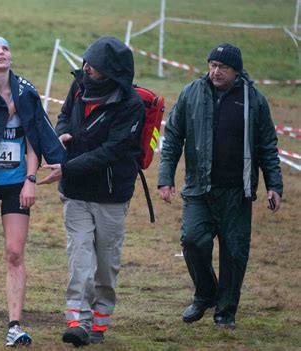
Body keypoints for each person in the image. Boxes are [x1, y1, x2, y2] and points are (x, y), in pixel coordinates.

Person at [158, 43, 283, 329]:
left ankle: (225, 311)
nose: (215, 71)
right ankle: (204, 294)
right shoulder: (191, 94)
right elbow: (173, 136)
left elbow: (267, 145)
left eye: (222, 67)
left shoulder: (254, 100)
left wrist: (273, 185)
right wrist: (166, 177)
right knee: (192, 241)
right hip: (199, 189)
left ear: (236, 71)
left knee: (234, 253)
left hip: (237, 192)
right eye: (212, 65)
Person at [0, 36, 66, 346]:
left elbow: (35, 137)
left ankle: (15, 324)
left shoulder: (26, 92)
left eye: (5, 48)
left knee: (15, 253)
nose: (1, 52)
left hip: (17, 183)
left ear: (10, 58)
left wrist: (30, 179)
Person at [38, 36, 144, 346]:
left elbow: (112, 151)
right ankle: (78, 321)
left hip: (111, 195)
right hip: (76, 193)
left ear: (111, 73)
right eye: (86, 62)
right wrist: (61, 135)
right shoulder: (78, 86)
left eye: (93, 67)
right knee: (80, 257)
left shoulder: (131, 105)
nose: (85, 68)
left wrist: (66, 168)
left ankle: (100, 322)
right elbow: (61, 117)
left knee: (106, 262)